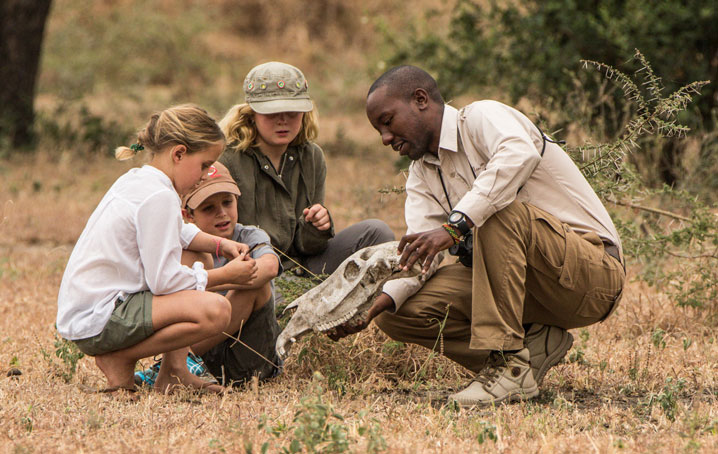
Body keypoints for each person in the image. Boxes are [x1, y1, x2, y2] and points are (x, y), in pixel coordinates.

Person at [331, 65, 626, 407]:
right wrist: (373, 305)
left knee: (498, 211)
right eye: (378, 130)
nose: (384, 138)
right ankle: (525, 354)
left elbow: (519, 154)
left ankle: (507, 365)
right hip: (524, 288)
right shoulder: (421, 173)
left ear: (421, 99)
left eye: (387, 120)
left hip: (591, 277)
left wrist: (453, 227)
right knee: (398, 313)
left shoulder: (482, 117)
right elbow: (422, 256)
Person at [56, 104, 258, 394]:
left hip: (90, 309)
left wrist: (218, 244)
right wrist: (228, 276)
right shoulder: (159, 197)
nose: (205, 175)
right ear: (179, 154)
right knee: (216, 311)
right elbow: (164, 282)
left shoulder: (140, 180)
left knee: (198, 256)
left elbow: (177, 230)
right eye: (203, 165)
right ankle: (119, 358)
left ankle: (174, 371)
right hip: (101, 317)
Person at [217, 61, 394, 278]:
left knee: (377, 232)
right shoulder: (227, 160)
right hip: (254, 271)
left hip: (304, 267)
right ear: (252, 114)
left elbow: (309, 246)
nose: (283, 120)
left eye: (292, 112)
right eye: (272, 112)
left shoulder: (312, 157)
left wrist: (319, 225)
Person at [179, 161, 283, 385]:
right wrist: (226, 276)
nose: (222, 213)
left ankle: (181, 359)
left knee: (257, 280)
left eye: (227, 202)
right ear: (188, 215)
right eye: (208, 208)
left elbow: (270, 266)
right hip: (205, 356)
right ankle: (180, 364)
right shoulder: (185, 246)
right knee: (188, 264)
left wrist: (216, 280)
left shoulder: (248, 236)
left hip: (250, 358)